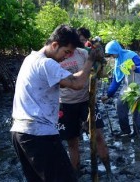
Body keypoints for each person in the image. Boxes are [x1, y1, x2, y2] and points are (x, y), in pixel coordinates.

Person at [11, 25, 101, 182]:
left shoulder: (31, 59)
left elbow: (71, 79)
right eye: (66, 52)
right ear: (54, 45)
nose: (66, 57)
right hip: (39, 134)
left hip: (20, 133)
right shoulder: (47, 64)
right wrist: (91, 59)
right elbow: (78, 83)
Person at [57, 27, 111, 176]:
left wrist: (99, 57)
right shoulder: (55, 58)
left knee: (98, 136)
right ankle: (76, 175)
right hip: (66, 104)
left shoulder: (82, 53)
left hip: (86, 101)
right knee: (72, 142)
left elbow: (99, 70)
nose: (70, 51)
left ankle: (109, 172)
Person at [102, 40, 140, 137]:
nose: (111, 56)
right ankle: (125, 131)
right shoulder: (118, 61)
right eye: (110, 55)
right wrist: (108, 95)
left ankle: (136, 133)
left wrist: (136, 68)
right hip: (128, 87)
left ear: (116, 50)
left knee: (137, 112)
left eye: (112, 54)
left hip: (139, 87)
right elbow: (116, 80)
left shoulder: (130, 55)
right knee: (120, 106)